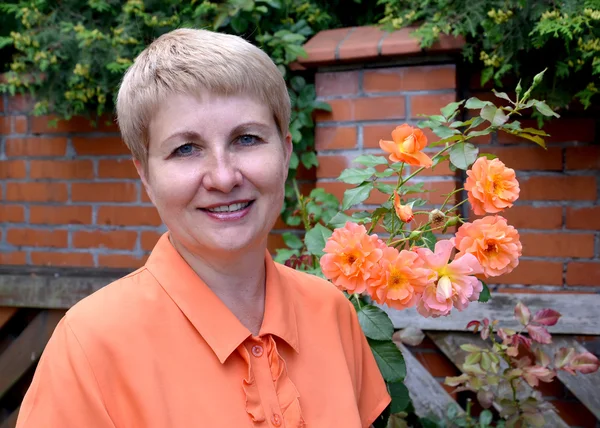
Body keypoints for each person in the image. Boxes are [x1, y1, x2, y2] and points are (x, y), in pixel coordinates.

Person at [16, 28, 390, 427]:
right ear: (146, 176)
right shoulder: (91, 344)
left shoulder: (331, 311)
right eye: (186, 149)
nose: (224, 177)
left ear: (284, 153)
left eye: (246, 139)